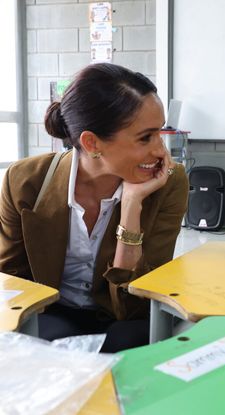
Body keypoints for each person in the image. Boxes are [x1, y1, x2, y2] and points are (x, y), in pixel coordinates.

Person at [0, 63, 189, 352]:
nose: (160, 152)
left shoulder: (169, 183)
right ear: (92, 143)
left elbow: (139, 299)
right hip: (51, 310)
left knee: (128, 341)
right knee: (54, 340)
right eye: (145, 137)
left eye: (159, 134)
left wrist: (131, 206)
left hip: (125, 314)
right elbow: (13, 283)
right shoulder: (25, 181)